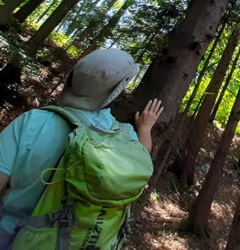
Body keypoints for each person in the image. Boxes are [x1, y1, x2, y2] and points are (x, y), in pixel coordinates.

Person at [0, 48, 163, 248]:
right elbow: (142, 157)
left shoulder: (32, 122)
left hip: (8, 235)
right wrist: (145, 129)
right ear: (116, 91)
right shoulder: (123, 135)